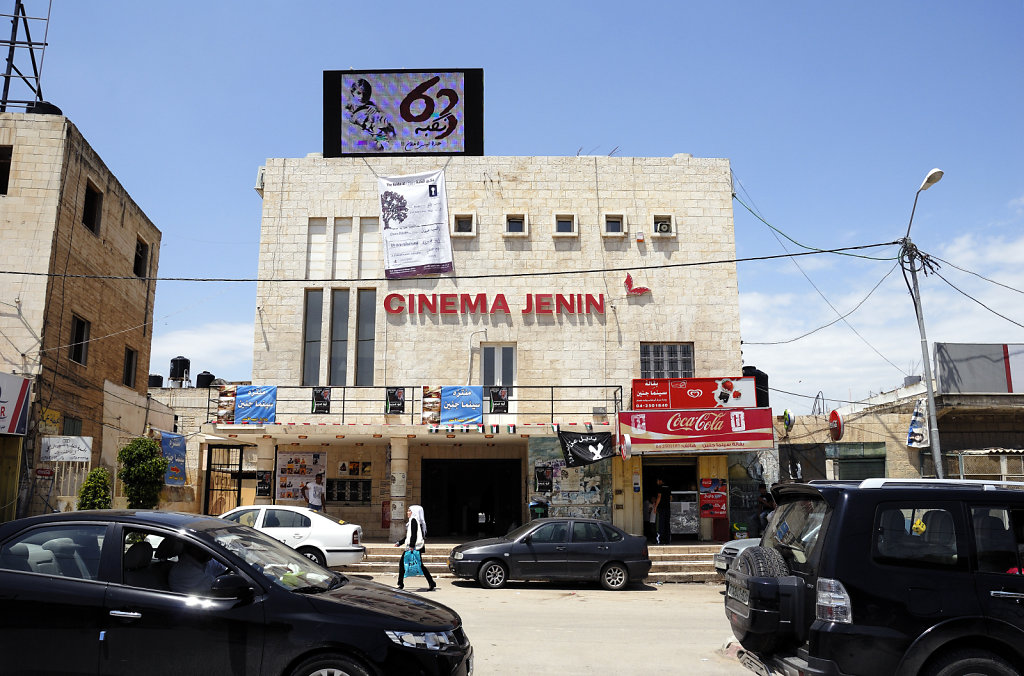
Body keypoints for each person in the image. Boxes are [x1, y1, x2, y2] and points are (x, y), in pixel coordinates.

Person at [395, 504, 435, 591]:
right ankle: (431, 582)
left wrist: (412, 546)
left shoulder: (413, 520)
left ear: (414, 512)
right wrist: (400, 543)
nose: (407, 512)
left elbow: (413, 535)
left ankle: (400, 584)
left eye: (409, 511)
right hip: (414, 546)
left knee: (402, 563)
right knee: (420, 565)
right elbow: (408, 536)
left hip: (413, 547)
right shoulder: (413, 521)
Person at [652, 477, 672, 545]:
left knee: (661, 524)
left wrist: (655, 507)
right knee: (667, 524)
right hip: (668, 508)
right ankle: (667, 540)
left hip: (662, 508)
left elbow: (659, 497)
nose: (657, 482)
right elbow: (671, 498)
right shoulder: (669, 487)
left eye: (657, 480)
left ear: (660, 481)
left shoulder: (660, 487)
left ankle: (660, 540)